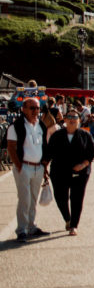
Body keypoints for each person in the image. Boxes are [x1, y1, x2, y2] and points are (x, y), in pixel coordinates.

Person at [7, 98, 52, 242]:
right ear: (24, 109)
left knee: (33, 199)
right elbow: (11, 147)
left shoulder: (41, 126)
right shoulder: (17, 126)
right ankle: (21, 230)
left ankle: (31, 227)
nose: (36, 111)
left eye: (38, 108)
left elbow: (44, 145)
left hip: (38, 167)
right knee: (24, 199)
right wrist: (19, 166)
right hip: (24, 166)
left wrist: (44, 165)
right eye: (32, 108)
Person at [47, 110, 94, 236]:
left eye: (75, 117)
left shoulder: (85, 135)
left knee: (77, 198)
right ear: (65, 119)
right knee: (60, 197)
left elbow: (91, 152)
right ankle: (67, 219)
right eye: (69, 117)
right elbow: (49, 152)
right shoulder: (57, 135)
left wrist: (83, 165)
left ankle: (74, 225)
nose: (72, 119)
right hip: (59, 171)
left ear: (79, 120)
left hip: (79, 172)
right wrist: (43, 167)